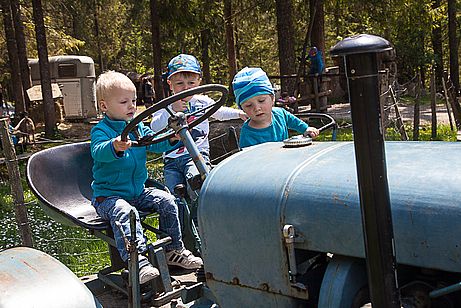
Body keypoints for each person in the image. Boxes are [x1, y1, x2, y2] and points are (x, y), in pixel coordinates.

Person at [91, 71, 203, 285]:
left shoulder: (136, 127)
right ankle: (138, 261)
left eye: (133, 100)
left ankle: (174, 250)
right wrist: (114, 146)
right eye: (124, 102)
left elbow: (154, 144)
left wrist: (172, 138)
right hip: (108, 197)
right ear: (104, 106)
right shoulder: (101, 131)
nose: (132, 106)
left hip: (138, 192)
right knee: (127, 213)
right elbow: (98, 151)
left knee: (168, 200)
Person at [150, 54, 247, 199]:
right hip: (171, 160)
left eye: (191, 83)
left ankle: (199, 216)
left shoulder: (202, 102)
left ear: (199, 82)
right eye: (180, 83)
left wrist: (239, 114)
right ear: (170, 84)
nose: (185, 88)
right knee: (173, 195)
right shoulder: (166, 105)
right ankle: (182, 219)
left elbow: (219, 112)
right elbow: (155, 126)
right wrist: (173, 110)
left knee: (196, 183)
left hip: (196, 155)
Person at [232, 67, 320, 148]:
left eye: (261, 101)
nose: (257, 108)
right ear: (242, 108)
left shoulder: (280, 113)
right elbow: (246, 158)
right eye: (249, 105)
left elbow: (293, 121)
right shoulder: (248, 134)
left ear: (272, 98)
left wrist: (306, 129)